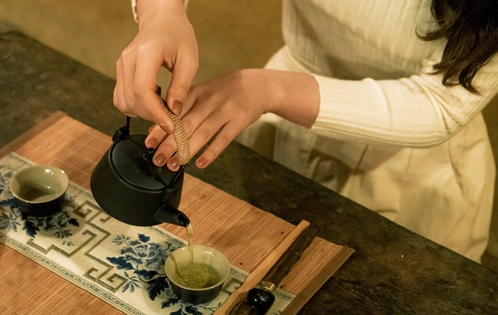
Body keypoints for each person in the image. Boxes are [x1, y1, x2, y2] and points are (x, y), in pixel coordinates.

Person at [114, 0, 498, 262]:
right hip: (282, 115)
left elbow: (443, 102)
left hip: (407, 162)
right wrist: (161, 15)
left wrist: (273, 90)